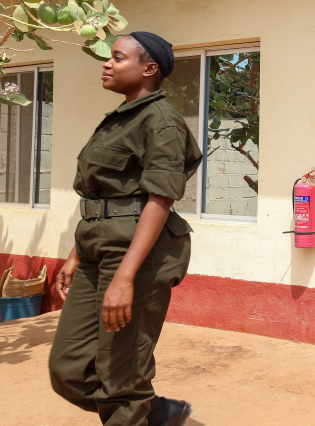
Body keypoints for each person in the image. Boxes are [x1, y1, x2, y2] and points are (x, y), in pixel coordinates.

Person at [48, 32, 202, 426]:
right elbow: (104, 195)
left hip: (139, 254)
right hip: (96, 249)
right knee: (68, 371)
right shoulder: (119, 120)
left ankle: (135, 409)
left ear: (149, 69)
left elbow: (159, 199)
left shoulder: (162, 121)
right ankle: (154, 413)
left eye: (117, 57)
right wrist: (75, 254)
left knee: (121, 380)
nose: (107, 63)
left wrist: (125, 276)